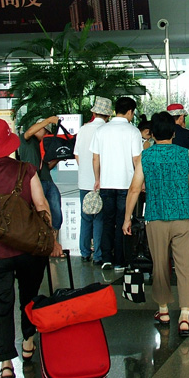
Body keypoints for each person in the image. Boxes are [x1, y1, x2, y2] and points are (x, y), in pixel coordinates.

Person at [0, 118, 64, 378]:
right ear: (10, 142)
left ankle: (6, 366)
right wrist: (50, 239)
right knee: (29, 298)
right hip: (29, 251)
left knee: (0, 308)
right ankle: (28, 343)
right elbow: (41, 205)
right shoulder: (27, 170)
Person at [122, 112, 189, 337]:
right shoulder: (185, 154)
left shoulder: (146, 156)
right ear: (173, 133)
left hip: (156, 218)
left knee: (160, 266)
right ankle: (184, 316)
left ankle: (163, 311)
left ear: (152, 134)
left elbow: (134, 189)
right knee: (185, 267)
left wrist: (127, 218)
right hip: (183, 218)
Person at [90, 96, 143, 271]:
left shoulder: (101, 131)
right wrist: (141, 181)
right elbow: (137, 160)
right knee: (123, 221)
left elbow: (95, 158)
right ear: (129, 112)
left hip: (106, 183)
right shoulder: (133, 132)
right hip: (126, 184)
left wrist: (98, 179)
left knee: (107, 221)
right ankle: (120, 260)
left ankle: (106, 258)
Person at [74, 96, 112, 263]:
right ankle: (98, 254)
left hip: (84, 181)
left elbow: (77, 154)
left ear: (94, 113)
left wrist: (85, 170)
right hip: (102, 181)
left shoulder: (83, 130)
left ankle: (84, 252)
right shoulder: (106, 131)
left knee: (86, 217)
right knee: (99, 219)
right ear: (108, 115)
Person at [20, 116, 64, 234]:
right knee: (40, 210)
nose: (45, 134)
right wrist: (48, 121)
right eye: (45, 131)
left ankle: (53, 237)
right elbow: (30, 132)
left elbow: (46, 167)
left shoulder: (42, 146)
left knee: (56, 211)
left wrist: (59, 158)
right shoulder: (26, 140)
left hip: (47, 180)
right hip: (36, 182)